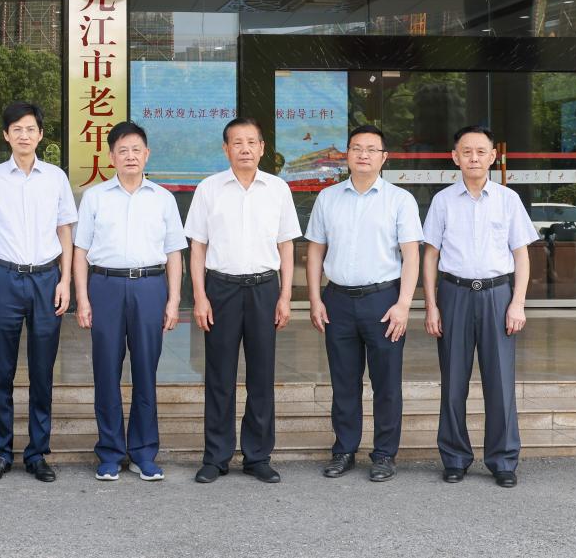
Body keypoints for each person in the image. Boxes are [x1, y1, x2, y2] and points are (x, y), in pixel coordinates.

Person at [184, 117, 300, 484]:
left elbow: (286, 246)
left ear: (263, 148)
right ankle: (216, 457)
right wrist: (199, 296)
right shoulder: (209, 189)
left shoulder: (278, 189)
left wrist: (285, 296)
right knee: (219, 375)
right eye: (237, 142)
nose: (245, 149)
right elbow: (197, 248)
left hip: (264, 288)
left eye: (252, 142)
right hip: (221, 289)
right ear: (226, 149)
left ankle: (257, 456)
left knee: (261, 376)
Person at [422, 124, 538, 488]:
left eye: (481, 151)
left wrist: (518, 303)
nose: (474, 157)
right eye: (466, 151)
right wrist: (431, 305)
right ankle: (455, 458)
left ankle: (503, 460)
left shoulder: (508, 199)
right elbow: (430, 256)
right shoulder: (442, 201)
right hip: (453, 294)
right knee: (453, 381)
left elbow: (521, 255)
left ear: (493, 156)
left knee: (500, 382)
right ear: (455, 157)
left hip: (497, 295)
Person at [305, 124, 422, 482]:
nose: (363, 155)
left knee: (386, 383)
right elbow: (315, 250)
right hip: (337, 300)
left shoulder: (400, 200)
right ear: (347, 154)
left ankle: (384, 454)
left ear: (384, 157)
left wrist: (404, 304)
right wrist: (315, 298)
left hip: (383, 301)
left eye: (372, 149)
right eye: (356, 148)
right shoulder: (328, 198)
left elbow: (411, 255)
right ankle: (344, 449)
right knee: (344, 381)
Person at [73, 121, 186, 482]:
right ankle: (109, 452)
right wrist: (82, 298)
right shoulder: (95, 197)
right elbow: (80, 251)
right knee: (106, 370)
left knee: (145, 371)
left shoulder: (163, 198)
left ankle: (143, 452)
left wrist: (173, 300)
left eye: (136, 149)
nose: (130, 156)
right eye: (123, 150)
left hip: (149, 287)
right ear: (111, 157)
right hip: (105, 286)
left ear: (147, 154)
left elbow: (174, 253)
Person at [0, 101, 77, 483]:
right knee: (1, 372)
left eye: (30, 128)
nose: (24, 135)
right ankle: (0, 453)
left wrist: (65, 280)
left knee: (42, 371)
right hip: (3, 278)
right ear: (6, 135)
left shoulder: (56, 178)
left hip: (46, 279)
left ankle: (37, 453)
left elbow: (65, 230)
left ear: (41, 135)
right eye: (16, 129)